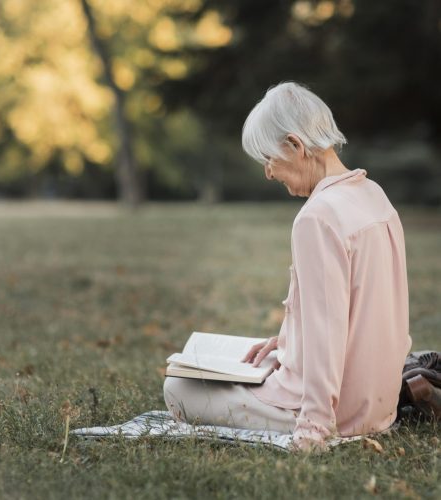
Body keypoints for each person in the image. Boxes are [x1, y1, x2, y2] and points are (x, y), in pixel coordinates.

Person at [163, 81, 412, 452]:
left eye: (269, 158)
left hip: (337, 412)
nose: (268, 172)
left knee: (179, 388)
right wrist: (289, 341)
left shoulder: (317, 216)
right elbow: (370, 308)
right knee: (258, 360)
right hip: (380, 404)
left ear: (296, 145)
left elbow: (327, 333)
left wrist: (314, 428)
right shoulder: (374, 195)